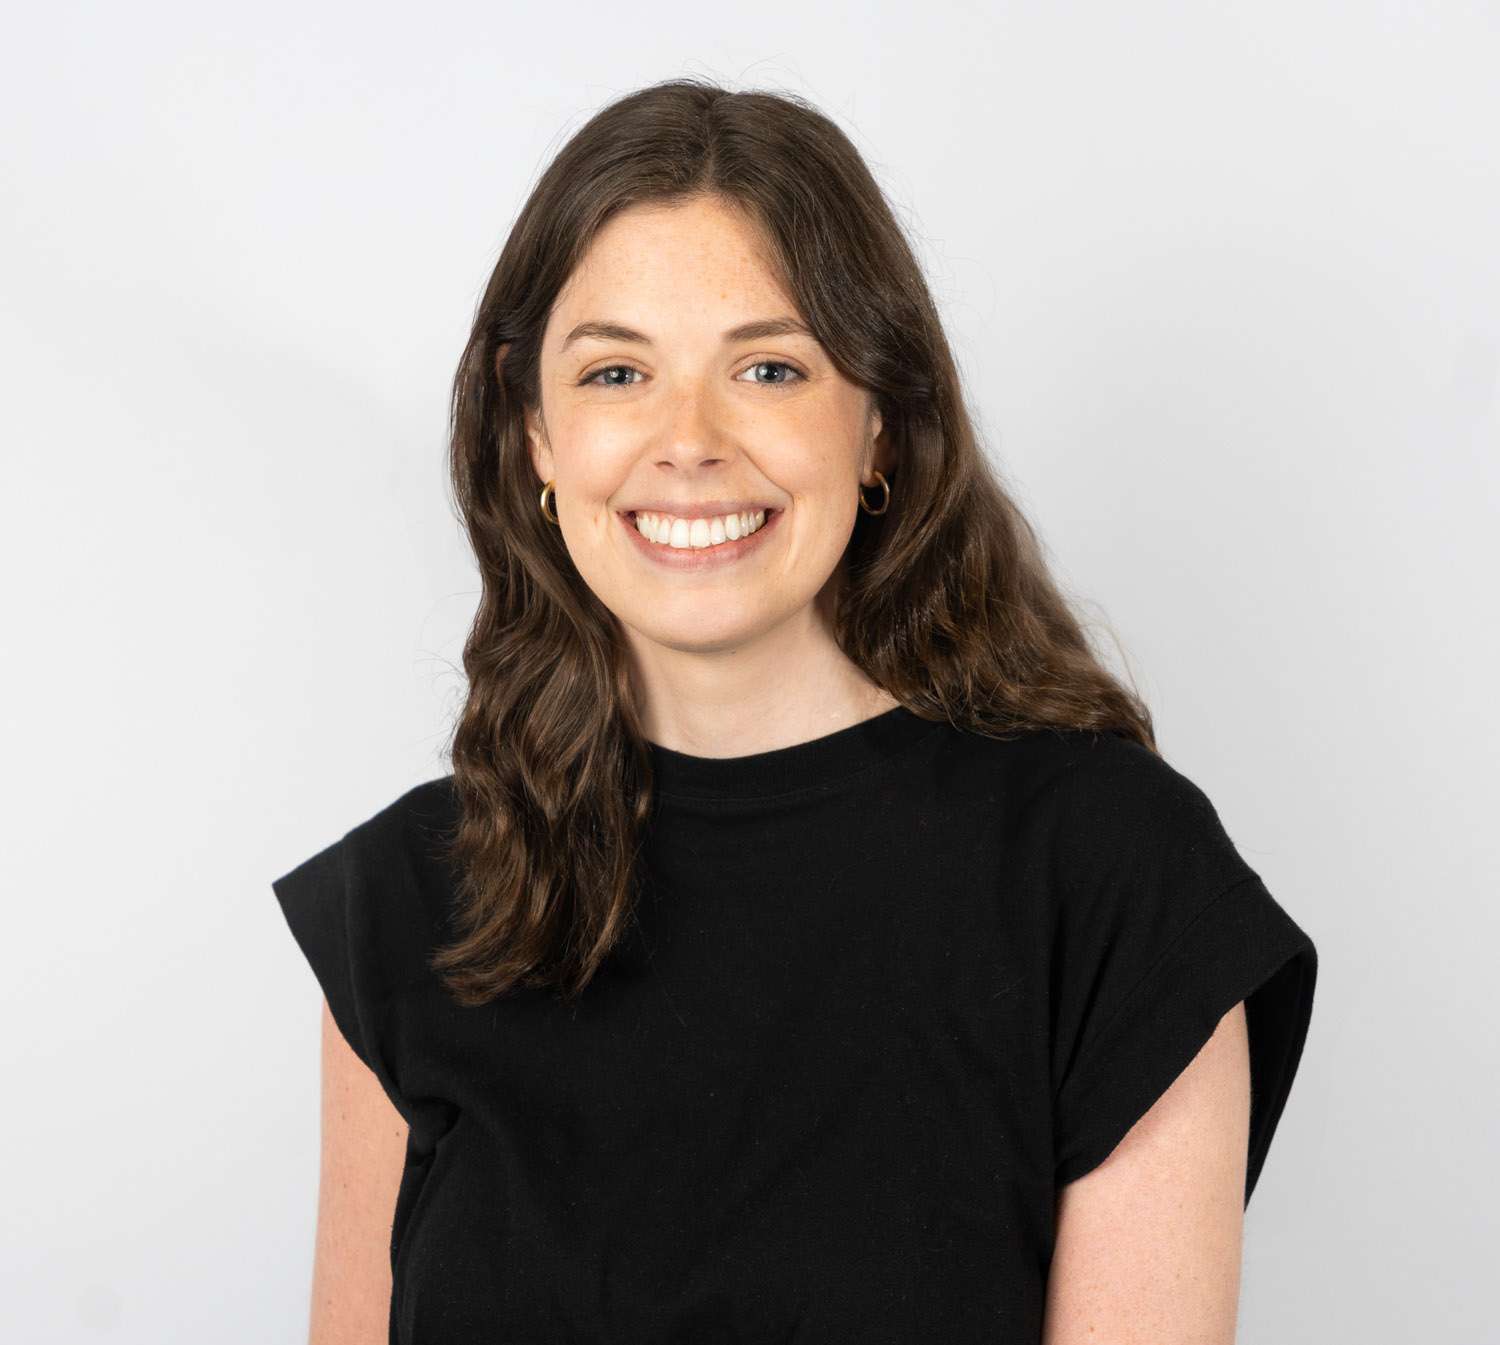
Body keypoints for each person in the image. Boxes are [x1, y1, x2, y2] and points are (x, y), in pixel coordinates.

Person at [271, 78, 1319, 1345]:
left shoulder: (1113, 878)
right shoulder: (409, 903)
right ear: (534, 430)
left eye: (769, 367)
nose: (689, 441)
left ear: (880, 425)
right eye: (616, 372)